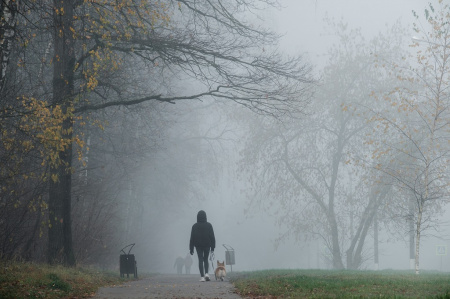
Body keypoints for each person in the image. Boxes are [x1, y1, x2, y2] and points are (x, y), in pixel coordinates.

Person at [189, 210, 215, 282]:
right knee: (206, 259)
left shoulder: (194, 226)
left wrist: (191, 249)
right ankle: (207, 273)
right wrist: (212, 247)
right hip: (207, 245)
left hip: (198, 245)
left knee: (200, 259)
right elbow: (212, 237)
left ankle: (202, 276)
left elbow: (192, 238)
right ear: (205, 217)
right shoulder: (209, 225)